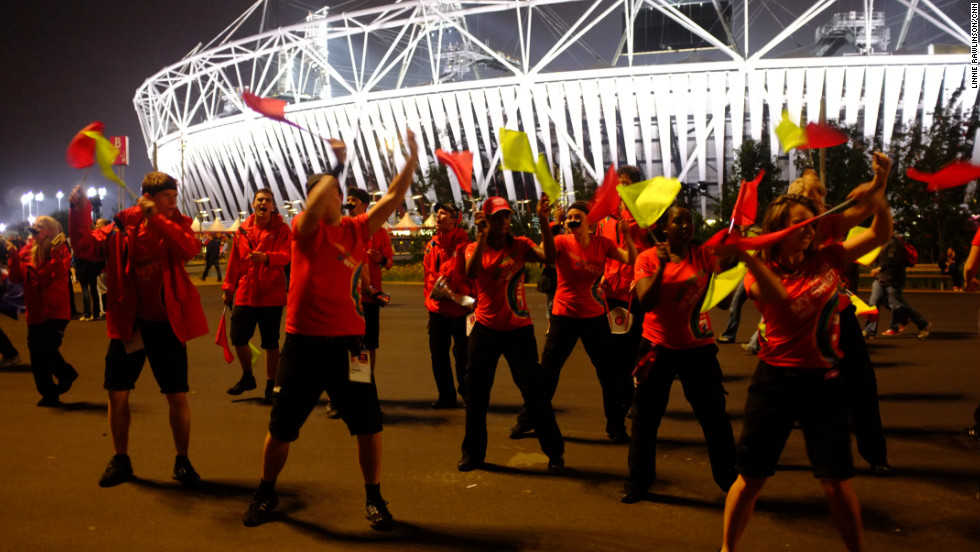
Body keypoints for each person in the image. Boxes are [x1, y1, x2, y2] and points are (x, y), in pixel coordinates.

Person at [242, 131, 418, 531]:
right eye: (317, 196)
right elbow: (311, 207)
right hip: (302, 346)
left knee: (369, 424)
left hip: (350, 349)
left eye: (330, 194)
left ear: (341, 197)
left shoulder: (357, 229)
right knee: (282, 428)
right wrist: (334, 167)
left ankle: (374, 498)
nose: (324, 201)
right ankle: (266, 491)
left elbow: (391, 198)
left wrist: (409, 160)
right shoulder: (305, 230)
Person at [717, 191, 893, 552]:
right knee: (752, 478)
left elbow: (878, 236)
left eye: (811, 222)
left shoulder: (827, 259)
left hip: (825, 384)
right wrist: (748, 257)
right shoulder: (760, 272)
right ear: (778, 230)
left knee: (836, 482)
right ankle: (726, 549)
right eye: (800, 222)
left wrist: (880, 194)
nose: (809, 229)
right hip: (774, 385)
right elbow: (776, 294)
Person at [69, 172, 209, 488]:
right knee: (117, 394)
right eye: (167, 197)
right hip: (130, 323)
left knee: (177, 395)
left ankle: (182, 461)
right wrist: (80, 210)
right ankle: (121, 460)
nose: (174, 201)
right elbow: (84, 245)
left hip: (166, 323)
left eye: (175, 196)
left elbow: (188, 247)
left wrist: (157, 220)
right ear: (147, 196)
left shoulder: (178, 225)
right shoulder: (120, 228)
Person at [620, 202, 737, 503]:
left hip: (697, 348)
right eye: (678, 222)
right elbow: (647, 302)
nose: (685, 226)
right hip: (656, 347)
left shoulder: (704, 256)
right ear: (663, 228)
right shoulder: (647, 258)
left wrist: (729, 266)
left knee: (714, 418)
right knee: (645, 418)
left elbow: (723, 304)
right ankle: (638, 482)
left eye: (689, 221)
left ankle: (730, 482)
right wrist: (661, 268)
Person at [787, 158, 893, 475]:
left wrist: (879, 179)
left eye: (822, 200)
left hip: (838, 313)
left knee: (862, 383)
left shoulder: (829, 223)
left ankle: (875, 455)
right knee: (786, 388)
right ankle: (762, 454)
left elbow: (868, 208)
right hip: (798, 318)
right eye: (815, 201)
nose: (823, 206)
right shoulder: (788, 230)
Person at [459, 195, 565, 473]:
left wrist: (543, 221)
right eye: (497, 217)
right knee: (477, 395)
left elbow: (551, 257)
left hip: (518, 330)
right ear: (486, 220)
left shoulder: (521, 245)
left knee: (536, 393)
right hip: (485, 330)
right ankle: (472, 454)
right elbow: (471, 272)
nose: (504, 221)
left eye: (506, 216)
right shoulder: (474, 247)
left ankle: (555, 453)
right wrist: (481, 236)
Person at [530, 201, 636, 443]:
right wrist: (546, 223)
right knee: (547, 373)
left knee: (609, 375)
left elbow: (630, 259)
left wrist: (627, 235)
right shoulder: (561, 242)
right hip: (564, 316)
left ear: (590, 221)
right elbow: (546, 254)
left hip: (593, 317)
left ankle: (616, 427)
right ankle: (530, 419)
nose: (571, 220)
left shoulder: (603, 244)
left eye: (577, 216)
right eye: (568, 218)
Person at [223, 188, 292, 403]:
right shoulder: (243, 230)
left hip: (271, 294)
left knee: (271, 343)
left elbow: (287, 256)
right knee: (238, 337)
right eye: (260, 200)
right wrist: (228, 287)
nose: (263, 203)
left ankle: (271, 384)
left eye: (268, 200)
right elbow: (234, 261)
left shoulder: (282, 229)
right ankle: (247, 376)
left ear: (273, 206)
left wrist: (267, 258)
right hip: (246, 291)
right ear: (253, 204)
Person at [6, 216, 76, 406]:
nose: (34, 227)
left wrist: (52, 254)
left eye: (40, 225)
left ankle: (65, 373)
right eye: (34, 224)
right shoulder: (26, 251)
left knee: (44, 349)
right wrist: (12, 256)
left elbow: (59, 274)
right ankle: (48, 394)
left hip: (55, 311)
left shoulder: (60, 250)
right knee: (37, 356)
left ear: (51, 232)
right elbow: (15, 278)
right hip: (35, 312)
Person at [422, 202, 472, 408]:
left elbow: (465, 274)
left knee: (464, 355)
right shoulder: (431, 246)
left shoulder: (465, 245)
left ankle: (468, 394)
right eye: (437, 213)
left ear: (454, 219)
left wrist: (449, 288)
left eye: (444, 213)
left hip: (463, 311)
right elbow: (428, 276)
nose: (438, 216)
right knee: (438, 355)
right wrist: (436, 293)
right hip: (438, 310)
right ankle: (446, 395)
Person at [864, 233, 931, 339]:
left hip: (894, 279)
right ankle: (869, 330)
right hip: (881, 278)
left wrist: (879, 268)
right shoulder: (880, 241)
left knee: (898, 305)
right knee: (873, 303)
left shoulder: (894, 243)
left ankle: (923, 324)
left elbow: (892, 259)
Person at [74, 218, 107, 321]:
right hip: (93, 264)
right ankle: (96, 313)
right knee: (94, 289)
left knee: (85, 289)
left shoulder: (81, 237)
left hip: (83, 264)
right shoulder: (95, 235)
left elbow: (76, 252)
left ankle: (87, 313)